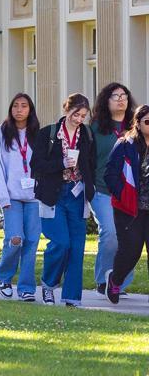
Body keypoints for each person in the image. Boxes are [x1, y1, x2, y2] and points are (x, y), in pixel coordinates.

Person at [30, 93, 96, 307]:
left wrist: (90, 186)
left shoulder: (86, 134)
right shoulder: (47, 134)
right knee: (60, 243)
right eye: (76, 114)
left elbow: (92, 163)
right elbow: (36, 165)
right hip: (53, 194)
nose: (79, 119)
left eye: (83, 116)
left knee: (77, 248)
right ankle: (48, 285)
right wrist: (61, 163)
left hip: (78, 195)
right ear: (67, 110)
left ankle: (71, 297)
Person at [0, 93, 41, 300]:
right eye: (16, 106)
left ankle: (27, 288)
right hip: (12, 196)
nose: (19, 110)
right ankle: (5, 275)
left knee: (31, 242)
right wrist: (3, 198)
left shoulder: (39, 134)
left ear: (30, 110)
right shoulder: (0, 133)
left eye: (24, 106)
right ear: (11, 109)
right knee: (16, 239)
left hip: (35, 197)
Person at [90, 82, 136, 294]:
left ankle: (117, 283)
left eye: (124, 95)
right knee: (110, 233)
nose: (121, 99)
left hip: (130, 194)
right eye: (115, 96)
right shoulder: (96, 129)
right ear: (105, 101)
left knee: (128, 238)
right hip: (102, 190)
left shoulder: (136, 127)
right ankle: (103, 279)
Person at [104, 104, 149, 304]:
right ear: (138, 123)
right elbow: (110, 174)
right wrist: (122, 195)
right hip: (130, 208)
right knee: (131, 251)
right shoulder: (125, 144)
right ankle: (115, 279)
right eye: (147, 121)